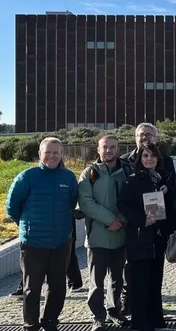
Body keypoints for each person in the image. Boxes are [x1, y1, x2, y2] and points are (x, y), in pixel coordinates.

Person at [6, 137, 79, 331]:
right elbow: (12, 207)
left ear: (61, 154)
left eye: (56, 152)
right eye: (48, 152)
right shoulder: (27, 177)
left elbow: (71, 203)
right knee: (32, 288)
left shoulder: (68, 178)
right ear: (40, 154)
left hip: (61, 242)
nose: (52, 156)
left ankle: (50, 321)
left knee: (58, 287)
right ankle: (31, 324)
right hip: (33, 243)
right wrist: (26, 225)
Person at [117, 142, 176, 331]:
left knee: (155, 281)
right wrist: (143, 219)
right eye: (145, 156)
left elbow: (170, 207)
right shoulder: (132, 180)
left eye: (152, 156)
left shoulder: (162, 179)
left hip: (157, 239)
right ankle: (140, 324)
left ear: (158, 158)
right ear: (140, 159)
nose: (149, 159)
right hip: (139, 237)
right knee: (140, 284)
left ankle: (156, 320)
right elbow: (123, 205)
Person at [78, 135, 132, 331]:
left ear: (118, 149)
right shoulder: (89, 173)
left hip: (120, 236)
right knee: (96, 281)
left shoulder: (127, 171)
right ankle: (98, 316)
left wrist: (121, 221)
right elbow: (86, 203)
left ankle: (114, 311)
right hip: (97, 238)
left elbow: (133, 199)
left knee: (118, 280)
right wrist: (111, 220)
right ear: (98, 150)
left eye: (112, 147)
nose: (108, 151)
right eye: (105, 147)